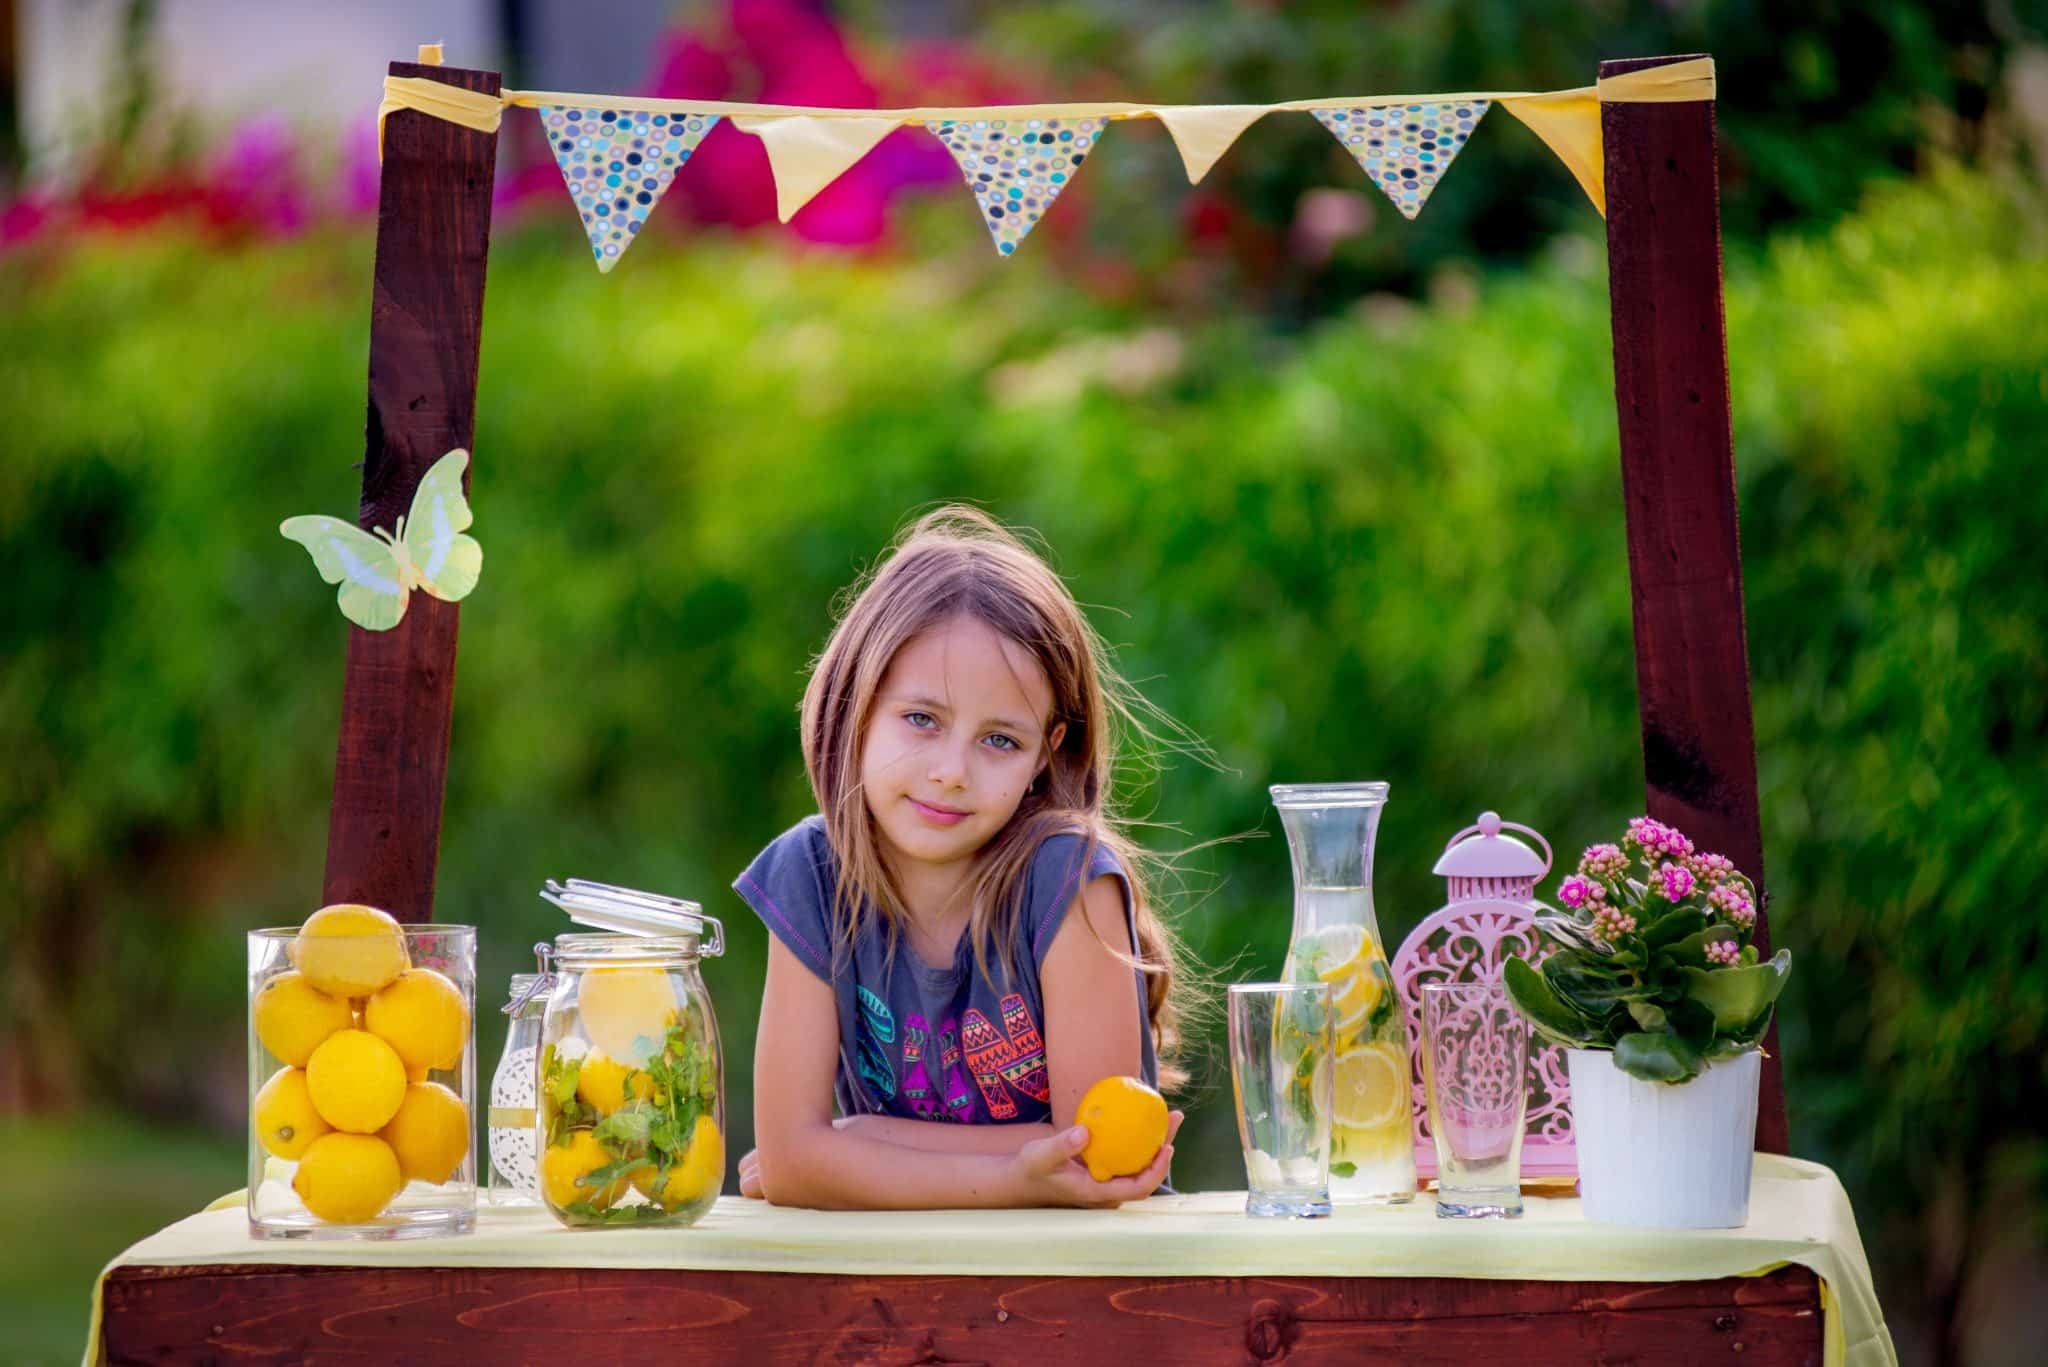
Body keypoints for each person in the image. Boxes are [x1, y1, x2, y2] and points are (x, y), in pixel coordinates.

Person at [732, 506, 1196, 1209]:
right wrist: (1014, 1172)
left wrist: (861, 1138)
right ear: (855, 704)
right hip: (887, 1294)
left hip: (1086, 1287)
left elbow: (1095, 1155)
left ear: (1046, 752)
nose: (952, 770)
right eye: (922, 719)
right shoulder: (810, 876)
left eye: (999, 740)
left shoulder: (1068, 881)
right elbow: (793, 1162)